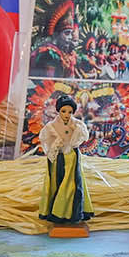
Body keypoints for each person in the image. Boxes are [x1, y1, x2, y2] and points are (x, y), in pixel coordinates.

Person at [37, 90, 89, 229]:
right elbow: (45, 140)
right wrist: (54, 148)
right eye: (64, 111)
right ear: (58, 111)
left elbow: (82, 137)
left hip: (71, 158)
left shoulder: (77, 125)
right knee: (56, 183)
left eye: (70, 112)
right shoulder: (51, 126)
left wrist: (75, 131)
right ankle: (56, 212)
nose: (67, 115)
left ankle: (68, 213)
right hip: (57, 159)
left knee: (71, 185)